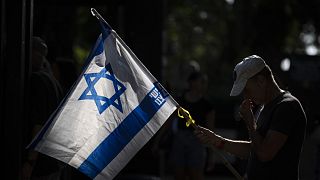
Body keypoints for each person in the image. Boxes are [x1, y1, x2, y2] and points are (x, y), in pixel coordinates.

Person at [194, 55, 307, 180]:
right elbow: (254, 150)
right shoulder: (264, 107)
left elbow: (264, 154)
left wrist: (250, 122)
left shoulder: (287, 106)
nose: (246, 97)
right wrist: (217, 140)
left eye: (246, 90)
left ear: (261, 81)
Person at [21, 36, 64, 180]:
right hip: (54, 163)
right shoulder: (53, 82)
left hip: (40, 167)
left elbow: (38, 125)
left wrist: (29, 162)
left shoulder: (36, 81)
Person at [169, 71, 215, 180]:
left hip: (197, 142)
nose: (205, 85)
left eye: (205, 82)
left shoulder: (207, 105)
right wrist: (158, 140)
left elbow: (211, 129)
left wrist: (211, 155)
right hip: (179, 141)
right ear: (193, 83)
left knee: (196, 174)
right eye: (202, 81)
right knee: (178, 174)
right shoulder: (179, 101)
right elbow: (169, 121)